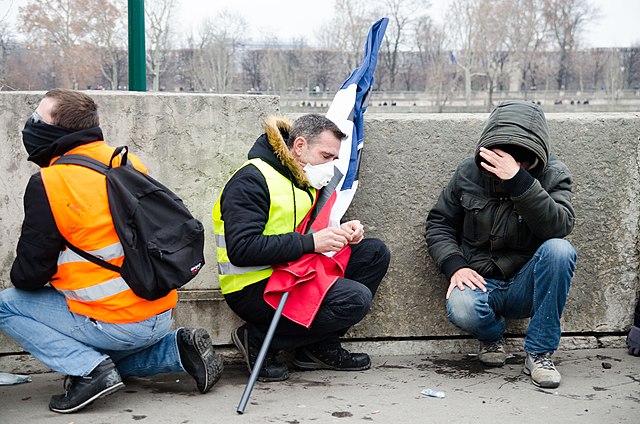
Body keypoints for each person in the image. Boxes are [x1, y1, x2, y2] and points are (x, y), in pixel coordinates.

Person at [0, 89, 223, 414]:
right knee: (112, 346)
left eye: (38, 116)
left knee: (6, 306)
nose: (31, 122)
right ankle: (177, 350)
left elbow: (29, 275)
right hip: (161, 313)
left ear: (58, 130)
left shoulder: (50, 182)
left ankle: (89, 369)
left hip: (114, 323)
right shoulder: (127, 162)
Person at [213, 114, 390, 382]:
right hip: (253, 286)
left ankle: (316, 348)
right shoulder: (251, 179)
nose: (331, 167)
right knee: (355, 300)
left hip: (292, 270)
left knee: (374, 253)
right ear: (299, 145)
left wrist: (340, 231)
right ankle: (259, 338)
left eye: (335, 159)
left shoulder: (302, 178)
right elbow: (242, 249)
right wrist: (312, 243)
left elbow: (299, 230)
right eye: (326, 156)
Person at [425, 100, 576, 389]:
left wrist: (521, 183)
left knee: (560, 250)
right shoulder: (470, 172)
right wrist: (454, 266)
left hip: (526, 283)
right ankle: (492, 336)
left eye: (519, 162)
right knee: (462, 306)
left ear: (532, 160)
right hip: (481, 281)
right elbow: (439, 222)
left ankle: (540, 353)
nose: (503, 166)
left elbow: (559, 227)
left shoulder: (554, 174)